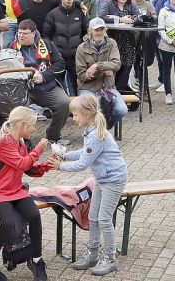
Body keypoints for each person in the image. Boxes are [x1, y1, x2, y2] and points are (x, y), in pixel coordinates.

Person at [46, 94, 128, 276]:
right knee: (93, 216)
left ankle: (109, 258)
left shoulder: (96, 135)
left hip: (113, 180)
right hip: (102, 178)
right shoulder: (90, 131)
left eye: (75, 115)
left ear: (87, 115)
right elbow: (85, 153)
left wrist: (60, 166)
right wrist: (65, 155)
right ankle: (93, 253)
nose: (73, 119)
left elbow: (83, 163)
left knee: (104, 218)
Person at [0, 106, 54, 281]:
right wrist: (39, 149)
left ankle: (37, 260)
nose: (34, 129)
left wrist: (48, 165)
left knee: (34, 216)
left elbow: (29, 169)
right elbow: (21, 164)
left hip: (17, 190)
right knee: (8, 224)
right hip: (0, 192)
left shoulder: (21, 143)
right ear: (23, 125)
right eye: (32, 126)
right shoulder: (4, 142)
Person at [12, 20, 71, 145]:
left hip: (46, 86)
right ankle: (24, 140)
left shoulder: (47, 45)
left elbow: (61, 64)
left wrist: (43, 76)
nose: (21, 36)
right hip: (24, 90)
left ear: (34, 33)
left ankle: (53, 136)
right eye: (19, 33)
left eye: (25, 33)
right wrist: (16, 64)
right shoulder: (12, 47)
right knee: (19, 109)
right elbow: (5, 69)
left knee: (64, 103)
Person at [44, 0, 88, 95]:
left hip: (76, 55)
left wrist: (81, 49)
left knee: (77, 84)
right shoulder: (52, 14)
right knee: (58, 84)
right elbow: (46, 35)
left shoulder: (81, 13)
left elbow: (87, 32)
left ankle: (78, 110)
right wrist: (53, 52)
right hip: (58, 56)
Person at [100, 0, 140, 93]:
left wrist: (131, 19)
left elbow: (138, 17)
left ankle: (121, 91)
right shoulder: (109, 3)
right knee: (114, 66)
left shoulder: (131, 4)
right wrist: (120, 19)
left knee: (127, 66)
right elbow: (102, 17)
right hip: (113, 40)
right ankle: (112, 91)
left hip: (128, 41)